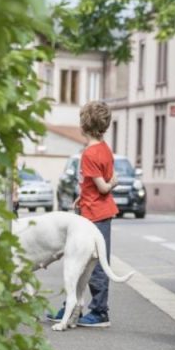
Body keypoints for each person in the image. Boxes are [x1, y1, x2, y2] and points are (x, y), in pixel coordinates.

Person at [51, 100, 117, 328]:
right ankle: (72, 306)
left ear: (83, 125)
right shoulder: (105, 148)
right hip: (96, 210)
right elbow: (93, 183)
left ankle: (99, 312)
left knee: (91, 263)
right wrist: (83, 195)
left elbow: (103, 187)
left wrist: (112, 183)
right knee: (84, 261)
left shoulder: (89, 154)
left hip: (94, 215)